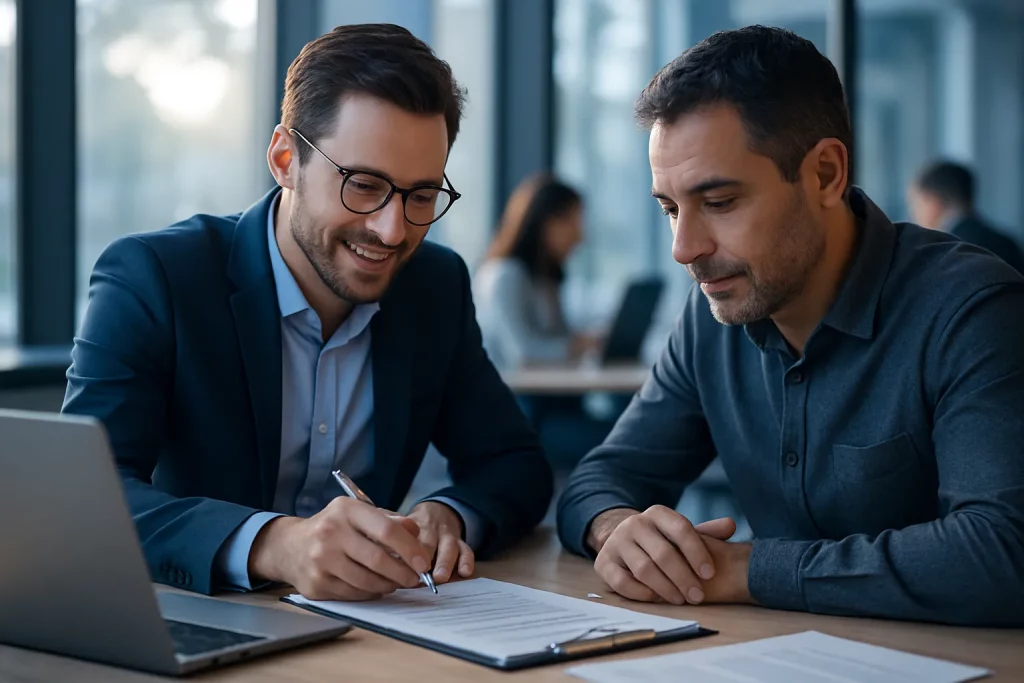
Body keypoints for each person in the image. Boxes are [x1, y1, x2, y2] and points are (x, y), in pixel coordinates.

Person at [62, 24, 552, 602]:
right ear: (285, 159)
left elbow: (516, 464)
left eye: (421, 196)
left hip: (371, 633)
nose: (392, 230)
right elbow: (82, 498)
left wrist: (449, 515)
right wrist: (273, 544)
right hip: (195, 617)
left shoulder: (433, 286)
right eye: (364, 185)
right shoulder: (155, 276)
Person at [557, 25, 1024, 627]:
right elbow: (599, 477)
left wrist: (746, 569)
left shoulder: (970, 309)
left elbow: (1002, 553)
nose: (683, 248)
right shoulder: (711, 318)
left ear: (826, 174)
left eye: (720, 202)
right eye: (670, 208)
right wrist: (616, 528)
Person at [473, 173, 613, 468]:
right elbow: (523, 354)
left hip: (556, 406)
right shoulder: (505, 276)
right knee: (620, 439)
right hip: (523, 418)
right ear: (546, 222)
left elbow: (558, 340)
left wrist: (584, 341)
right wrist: (579, 345)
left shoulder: (546, 278)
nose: (580, 236)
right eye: (573, 222)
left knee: (624, 425)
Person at [908, 160, 1024, 273]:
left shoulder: (947, 252)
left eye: (915, 203)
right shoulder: (1007, 243)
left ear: (933, 201)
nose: (912, 213)